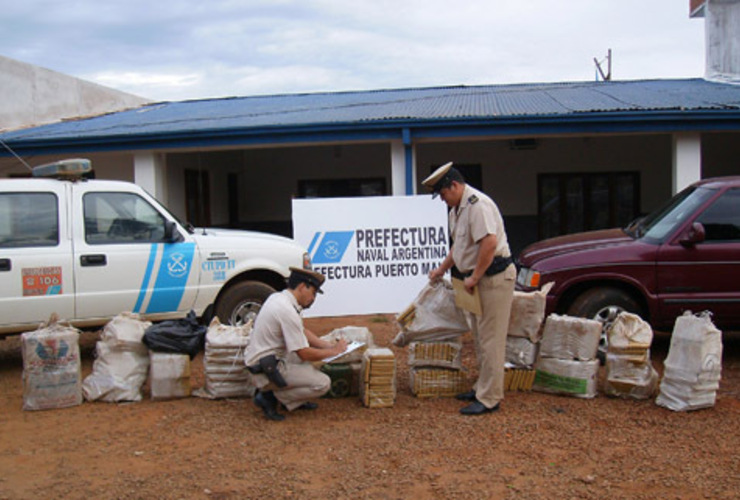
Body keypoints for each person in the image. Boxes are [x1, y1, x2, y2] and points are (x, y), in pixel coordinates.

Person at [423, 162, 516, 415]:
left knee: (491, 340)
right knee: (478, 337)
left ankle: (490, 398)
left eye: (443, 194)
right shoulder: (457, 209)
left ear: (454, 185)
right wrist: (442, 270)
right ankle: (481, 387)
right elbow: (459, 248)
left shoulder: (478, 205)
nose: (442, 200)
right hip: (472, 281)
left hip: (492, 279)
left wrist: (474, 277)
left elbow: (489, 242)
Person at [244, 267, 347, 421]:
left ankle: (291, 399)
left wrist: (326, 345)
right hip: (265, 369)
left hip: (265, 359)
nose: (313, 298)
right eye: (313, 292)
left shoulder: (280, 298)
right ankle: (270, 396)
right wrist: (334, 352)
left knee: (312, 362)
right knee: (323, 383)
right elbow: (304, 353)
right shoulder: (286, 310)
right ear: (301, 287)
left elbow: (301, 331)